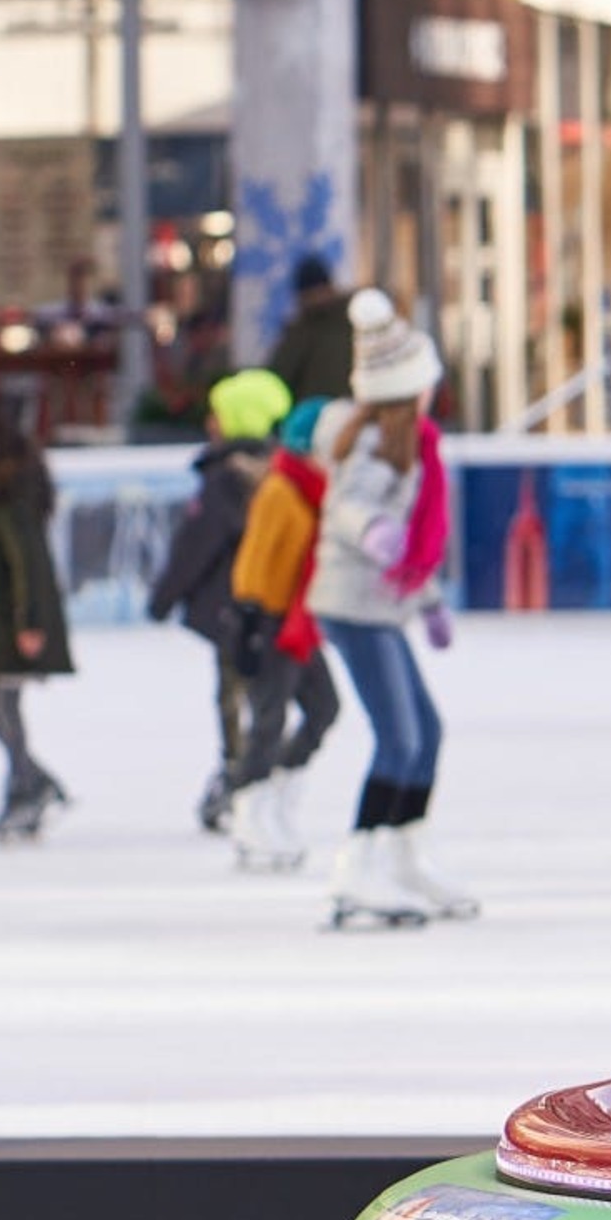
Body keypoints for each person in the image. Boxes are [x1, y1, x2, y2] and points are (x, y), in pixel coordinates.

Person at [305, 290, 471, 928]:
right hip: (352, 607)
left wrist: (427, 601)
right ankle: (356, 872)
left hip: (378, 605)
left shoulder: (412, 444)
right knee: (398, 740)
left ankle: (404, 856)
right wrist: (372, 529)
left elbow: (410, 546)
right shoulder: (373, 441)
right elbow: (347, 506)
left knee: (425, 734)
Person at [148, 367, 292, 833]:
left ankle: (241, 774)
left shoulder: (224, 480)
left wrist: (165, 596)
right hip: (271, 605)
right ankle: (250, 770)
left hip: (233, 608)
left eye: (217, 413)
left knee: (235, 692)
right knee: (259, 693)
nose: (209, 422)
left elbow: (196, 544)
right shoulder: (279, 473)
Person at [219, 396, 344, 871]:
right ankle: (249, 815)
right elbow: (253, 561)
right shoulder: (282, 490)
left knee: (324, 708)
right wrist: (249, 622)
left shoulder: (314, 488)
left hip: (298, 621)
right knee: (268, 720)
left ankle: (279, 795)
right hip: (268, 622)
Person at [0, 416, 75, 841]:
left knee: (0, 704)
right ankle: (30, 781)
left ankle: (28, 789)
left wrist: (30, 622)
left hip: (10, 622)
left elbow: (28, 565)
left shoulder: (7, 499)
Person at [263, 256, 355, 403]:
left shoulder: (353, 319)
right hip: (311, 416)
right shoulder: (299, 331)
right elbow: (277, 378)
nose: (317, 298)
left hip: (348, 412)